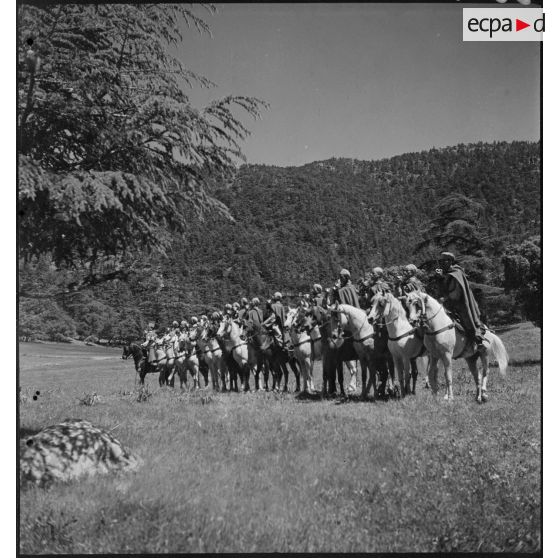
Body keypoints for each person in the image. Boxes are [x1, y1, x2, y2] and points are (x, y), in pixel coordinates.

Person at [436, 251, 485, 348]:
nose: (441, 263)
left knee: (466, 318)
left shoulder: (456, 273)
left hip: (460, 303)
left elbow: (457, 293)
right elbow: (441, 288)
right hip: (448, 303)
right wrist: (440, 278)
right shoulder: (445, 274)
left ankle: (477, 337)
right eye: (440, 261)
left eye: (443, 261)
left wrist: (445, 298)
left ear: (450, 261)